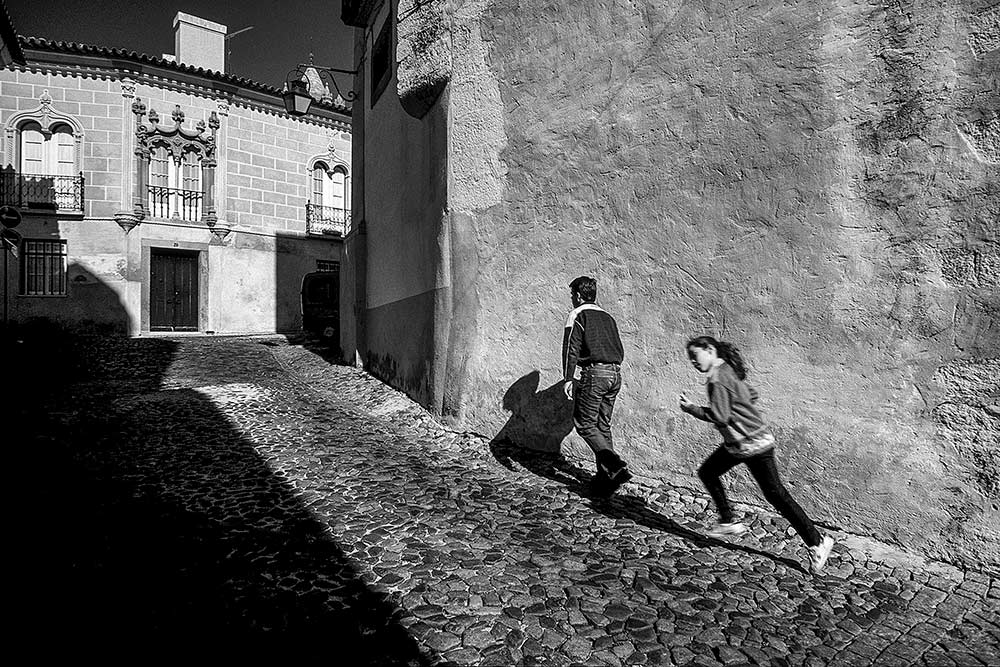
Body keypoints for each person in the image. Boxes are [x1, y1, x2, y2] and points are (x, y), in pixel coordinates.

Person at [678, 335, 835, 574]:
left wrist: (692, 409)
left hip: (751, 443)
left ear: (709, 350)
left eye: (695, 355)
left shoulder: (717, 378)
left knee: (776, 494)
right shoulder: (727, 369)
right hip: (743, 443)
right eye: (690, 358)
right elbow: (751, 394)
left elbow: (720, 416)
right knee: (710, 472)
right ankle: (727, 520)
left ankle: (817, 542)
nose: (693, 362)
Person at [562, 276, 632, 497]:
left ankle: (614, 466)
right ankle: (605, 480)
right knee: (603, 425)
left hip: (595, 374)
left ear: (579, 296)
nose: (572, 299)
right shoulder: (608, 317)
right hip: (615, 374)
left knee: (585, 424)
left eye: (573, 295)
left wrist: (568, 377)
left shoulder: (578, 314)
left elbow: (571, 348)